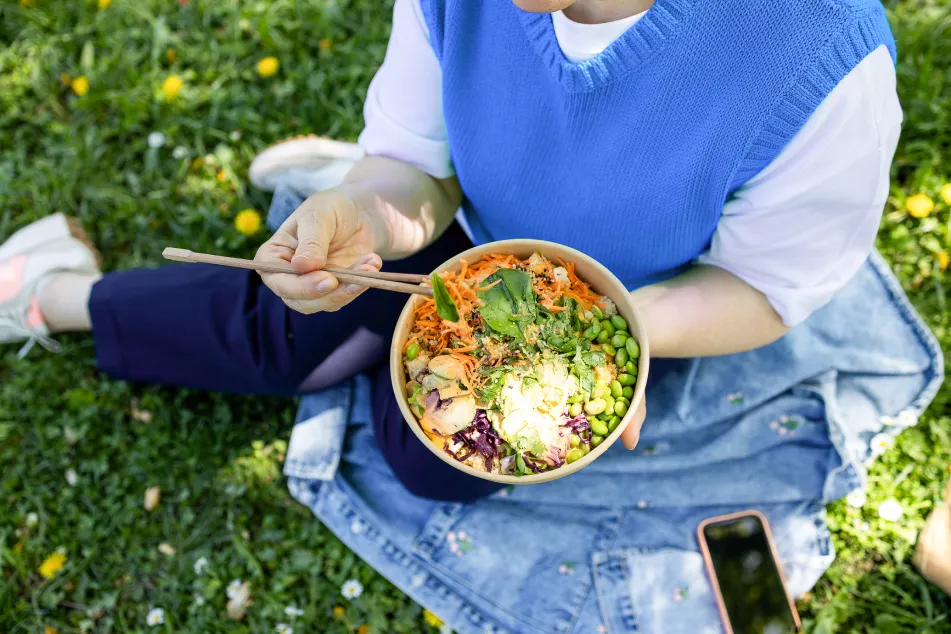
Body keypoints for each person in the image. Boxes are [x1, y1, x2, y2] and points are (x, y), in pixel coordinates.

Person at [2, 0, 942, 630]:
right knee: (284, 327)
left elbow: (765, 287)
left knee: (434, 465)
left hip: (635, 296)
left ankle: (334, 311)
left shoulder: (816, 57)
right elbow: (417, 167)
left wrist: (621, 330)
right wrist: (369, 208)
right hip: (459, 224)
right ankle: (60, 291)